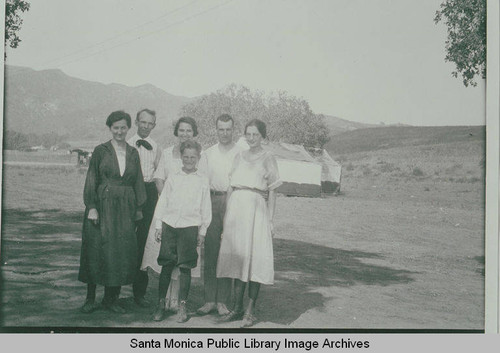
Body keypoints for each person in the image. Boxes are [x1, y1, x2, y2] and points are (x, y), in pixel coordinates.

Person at [78, 110, 146, 314]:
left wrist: (139, 208)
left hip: (125, 208)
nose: (119, 131)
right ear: (110, 128)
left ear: (128, 128)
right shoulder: (101, 151)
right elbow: (92, 179)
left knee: (119, 253)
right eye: (115, 127)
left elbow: (138, 181)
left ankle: (111, 299)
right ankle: (90, 299)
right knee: (96, 249)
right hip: (102, 205)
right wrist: (91, 207)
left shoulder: (133, 152)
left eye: (123, 127)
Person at [216, 119, 281, 328]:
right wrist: (227, 217)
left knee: (255, 260)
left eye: (256, 135)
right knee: (238, 260)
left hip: (256, 212)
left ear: (263, 136)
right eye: (248, 135)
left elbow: (272, 191)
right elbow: (230, 188)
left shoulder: (268, 157)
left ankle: (249, 312)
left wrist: (270, 220)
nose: (252, 139)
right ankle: (236, 308)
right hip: (236, 211)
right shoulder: (238, 156)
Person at [141, 116, 199, 311]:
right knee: (167, 257)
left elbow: (201, 182)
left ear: (194, 133)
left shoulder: (197, 155)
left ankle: (175, 299)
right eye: (181, 130)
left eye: (188, 131)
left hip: (188, 216)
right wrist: (168, 202)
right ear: (176, 132)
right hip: (168, 213)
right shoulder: (166, 153)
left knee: (182, 259)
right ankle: (164, 298)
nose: (185, 134)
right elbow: (159, 179)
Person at [152, 140, 211, 322]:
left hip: (189, 228)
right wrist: (159, 225)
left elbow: (205, 208)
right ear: (181, 157)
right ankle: (161, 305)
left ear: (198, 158)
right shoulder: (173, 177)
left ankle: (182, 306)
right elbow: (163, 202)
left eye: (193, 157)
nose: (189, 160)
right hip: (170, 225)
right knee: (167, 265)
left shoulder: (202, 180)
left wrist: (202, 232)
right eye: (186, 156)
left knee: (185, 267)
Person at [196, 114, 243, 316]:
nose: (224, 133)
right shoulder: (208, 153)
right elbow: (202, 182)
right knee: (211, 250)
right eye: (221, 129)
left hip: (233, 202)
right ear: (216, 130)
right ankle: (209, 300)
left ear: (234, 130)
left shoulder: (241, 153)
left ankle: (223, 301)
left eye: (228, 129)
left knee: (228, 252)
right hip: (212, 200)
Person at [127, 108, 161, 307]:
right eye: (143, 122)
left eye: (151, 124)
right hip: (129, 193)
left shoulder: (155, 146)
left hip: (149, 195)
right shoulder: (127, 144)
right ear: (136, 122)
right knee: (125, 240)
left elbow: (159, 173)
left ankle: (139, 293)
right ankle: (113, 292)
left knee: (144, 244)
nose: (147, 126)